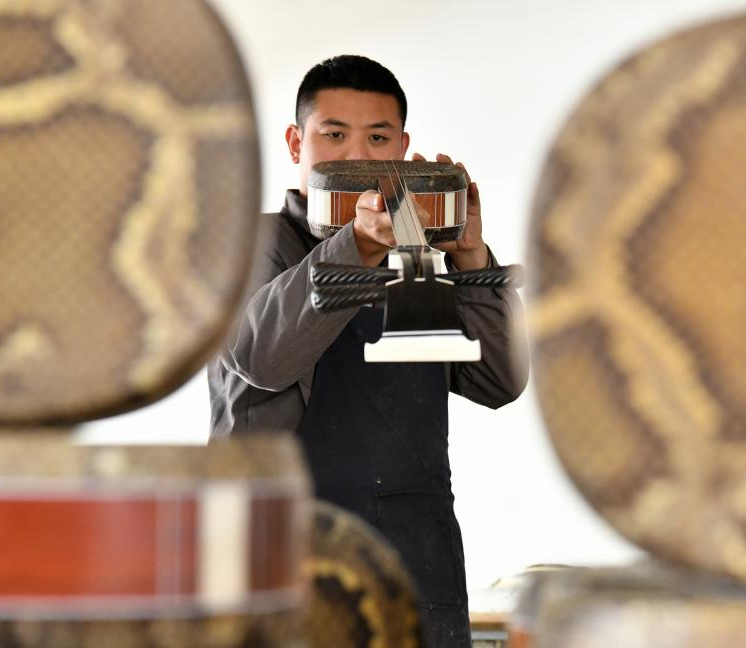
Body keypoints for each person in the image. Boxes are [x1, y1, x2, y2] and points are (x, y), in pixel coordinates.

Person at [208, 54, 527, 646]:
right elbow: (261, 359)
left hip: (415, 558)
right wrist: (355, 246)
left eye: (377, 138)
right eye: (334, 135)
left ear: (402, 149)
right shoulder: (244, 242)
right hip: (277, 550)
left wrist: (470, 258)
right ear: (295, 143)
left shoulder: (417, 254)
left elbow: (498, 382)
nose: (356, 155)